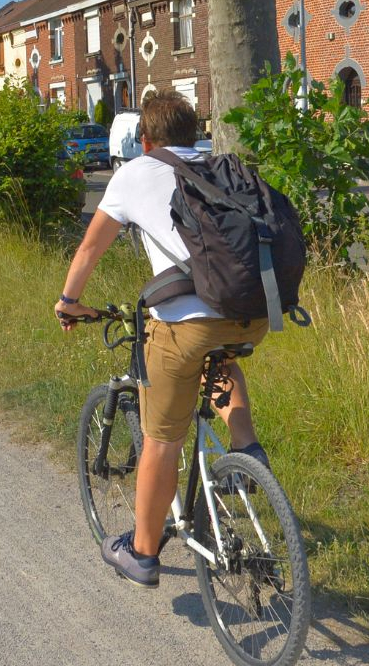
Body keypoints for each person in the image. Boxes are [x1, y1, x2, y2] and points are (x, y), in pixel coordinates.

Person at [54, 89, 270, 588]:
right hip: (253, 312)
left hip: (186, 324)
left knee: (161, 440)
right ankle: (246, 453)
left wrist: (69, 301)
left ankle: (144, 551)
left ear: (145, 140)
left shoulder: (135, 172)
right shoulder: (224, 166)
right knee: (219, 361)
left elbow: (90, 247)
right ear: (194, 133)